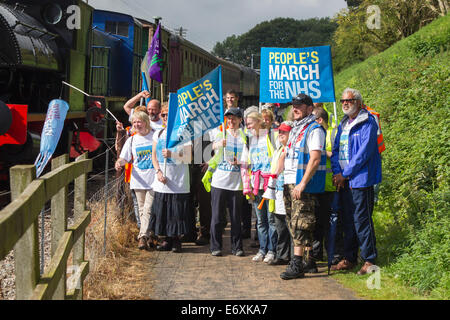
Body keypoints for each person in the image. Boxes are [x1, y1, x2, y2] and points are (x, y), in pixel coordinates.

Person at [330, 88, 382, 275]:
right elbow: (335, 150)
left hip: (361, 180)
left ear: (359, 102)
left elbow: (364, 154)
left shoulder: (368, 122)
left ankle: (369, 259)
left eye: (349, 100)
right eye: (343, 100)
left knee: (362, 220)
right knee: (347, 221)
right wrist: (338, 173)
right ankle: (350, 258)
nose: (345, 103)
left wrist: (346, 173)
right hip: (344, 180)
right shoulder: (343, 124)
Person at [279, 93, 327, 280]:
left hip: (302, 184)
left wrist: (303, 183)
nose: (295, 108)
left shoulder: (314, 129)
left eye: (299, 105)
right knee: (295, 223)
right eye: (293, 105)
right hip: (290, 181)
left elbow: (315, 159)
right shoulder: (297, 128)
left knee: (301, 224)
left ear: (309, 108)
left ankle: (297, 264)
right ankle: (309, 261)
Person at [149, 103, 193, 253]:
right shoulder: (159, 133)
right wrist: (158, 172)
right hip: (162, 178)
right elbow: (154, 155)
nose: (166, 118)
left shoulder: (184, 134)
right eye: (163, 115)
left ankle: (176, 240)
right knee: (164, 209)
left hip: (178, 178)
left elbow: (189, 157)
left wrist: (172, 154)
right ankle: (166, 238)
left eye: (169, 115)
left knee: (177, 210)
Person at [115, 111, 156, 250]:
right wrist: (119, 162)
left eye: (139, 122)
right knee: (141, 209)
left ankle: (142, 237)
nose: (136, 125)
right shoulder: (132, 140)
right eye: (134, 122)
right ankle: (150, 235)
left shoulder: (154, 137)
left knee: (148, 209)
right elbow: (124, 158)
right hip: (138, 180)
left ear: (145, 122)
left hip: (153, 179)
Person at [209, 108, 247, 256]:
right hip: (219, 182)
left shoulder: (245, 137)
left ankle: (237, 247)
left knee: (236, 218)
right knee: (217, 217)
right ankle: (215, 247)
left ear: (240, 120)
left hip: (236, 183)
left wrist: (241, 162)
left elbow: (250, 156)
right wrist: (218, 145)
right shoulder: (220, 134)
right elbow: (208, 149)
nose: (231, 122)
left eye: (234, 119)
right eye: (228, 119)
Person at [310, 106, 344, 267]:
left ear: (320, 120)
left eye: (313, 119)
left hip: (331, 186)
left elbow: (337, 155)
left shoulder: (332, 133)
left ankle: (334, 254)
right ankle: (316, 254)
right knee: (316, 223)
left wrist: (324, 153)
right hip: (317, 186)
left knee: (333, 223)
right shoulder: (313, 133)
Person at [241, 112, 277, 264]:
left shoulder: (270, 136)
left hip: (270, 184)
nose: (247, 126)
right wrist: (246, 186)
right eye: (246, 123)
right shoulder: (249, 140)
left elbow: (277, 157)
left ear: (259, 121)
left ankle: (271, 250)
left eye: (249, 123)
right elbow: (246, 163)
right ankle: (262, 249)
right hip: (256, 185)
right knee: (260, 220)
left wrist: (274, 182)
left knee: (271, 220)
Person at [265, 121, 293, 265]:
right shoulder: (278, 150)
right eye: (280, 132)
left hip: (289, 191)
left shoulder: (291, 149)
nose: (280, 134)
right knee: (280, 225)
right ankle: (282, 255)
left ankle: (294, 258)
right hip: (277, 192)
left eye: (284, 132)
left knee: (291, 227)